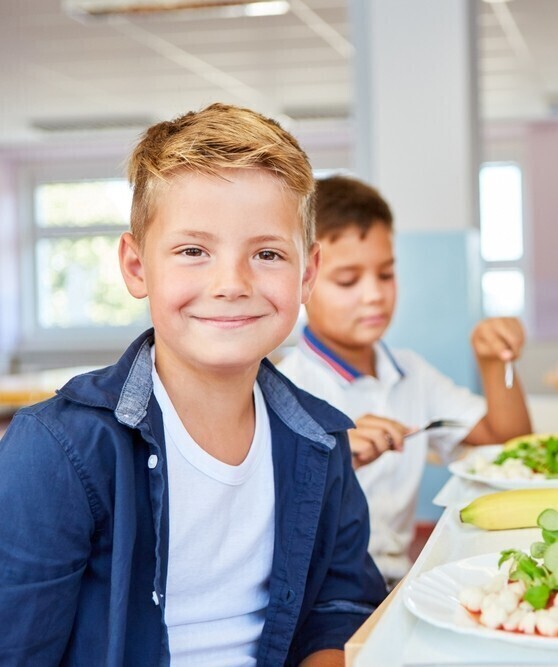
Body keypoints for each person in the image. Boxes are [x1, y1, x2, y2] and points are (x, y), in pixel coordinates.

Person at [0, 104, 386, 666]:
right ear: (136, 268)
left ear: (306, 274)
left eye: (268, 253)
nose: (231, 284)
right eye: (192, 251)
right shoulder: (54, 452)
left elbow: (338, 603)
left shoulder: (321, 438)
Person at [278, 175, 533, 582]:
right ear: (303, 280)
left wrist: (493, 362)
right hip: (318, 598)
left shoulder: (412, 372)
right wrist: (334, 463)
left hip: (396, 582)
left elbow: (512, 445)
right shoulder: (283, 391)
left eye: (385, 274)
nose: (373, 295)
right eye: (347, 280)